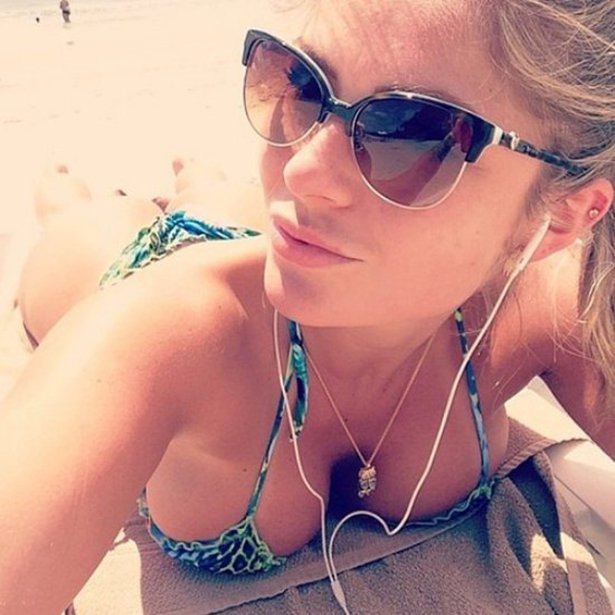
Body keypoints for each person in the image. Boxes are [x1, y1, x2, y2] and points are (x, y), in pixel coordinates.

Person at [1, 0, 613, 613]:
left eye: (407, 131)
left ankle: (200, 180)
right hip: (128, 263)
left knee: (223, 197)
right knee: (85, 220)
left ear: (562, 214)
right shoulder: (156, 332)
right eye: (302, 85)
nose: (302, 168)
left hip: (286, 242)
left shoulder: (537, 316)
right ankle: (73, 196)